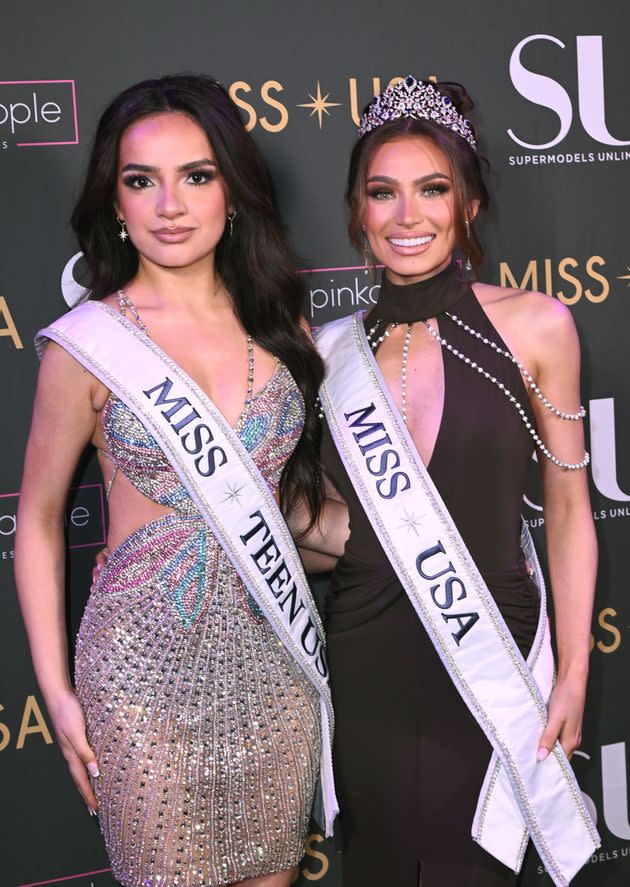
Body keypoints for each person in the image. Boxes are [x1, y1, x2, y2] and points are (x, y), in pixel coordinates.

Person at [14, 74, 338, 887]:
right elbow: (41, 518)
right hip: (140, 679)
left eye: (196, 175)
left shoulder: (283, 325)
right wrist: (55, 691)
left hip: (274, 666)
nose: (170, 204)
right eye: (140, 180)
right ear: (115, 202)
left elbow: (289, 504)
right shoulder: (85, 345)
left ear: (232, 190)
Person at [309, 77, 599, 886]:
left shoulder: (538, 325)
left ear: (468, 204)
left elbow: (571, 510)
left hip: (492, 674)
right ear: (358, 212)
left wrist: (572, 669)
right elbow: (324, 526)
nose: (408, 217)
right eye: (383, 193)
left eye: (433, 189)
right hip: (367, 670)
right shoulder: (324, 354)